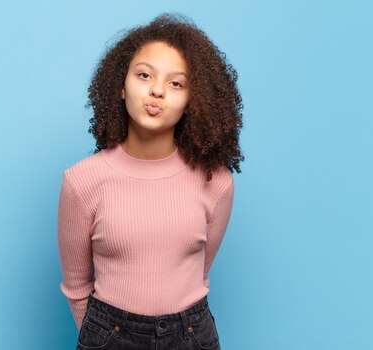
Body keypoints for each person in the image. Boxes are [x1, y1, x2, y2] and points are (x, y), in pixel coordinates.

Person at [58, 12, 243, 350]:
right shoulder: (82, 181)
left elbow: (199, 272)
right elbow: (76, 287)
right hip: (109, 335)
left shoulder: (215, 181)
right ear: (121, 87)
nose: (157, 91)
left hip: (191, 334)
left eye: (176, 83)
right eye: (144, 75)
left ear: (192, 102)